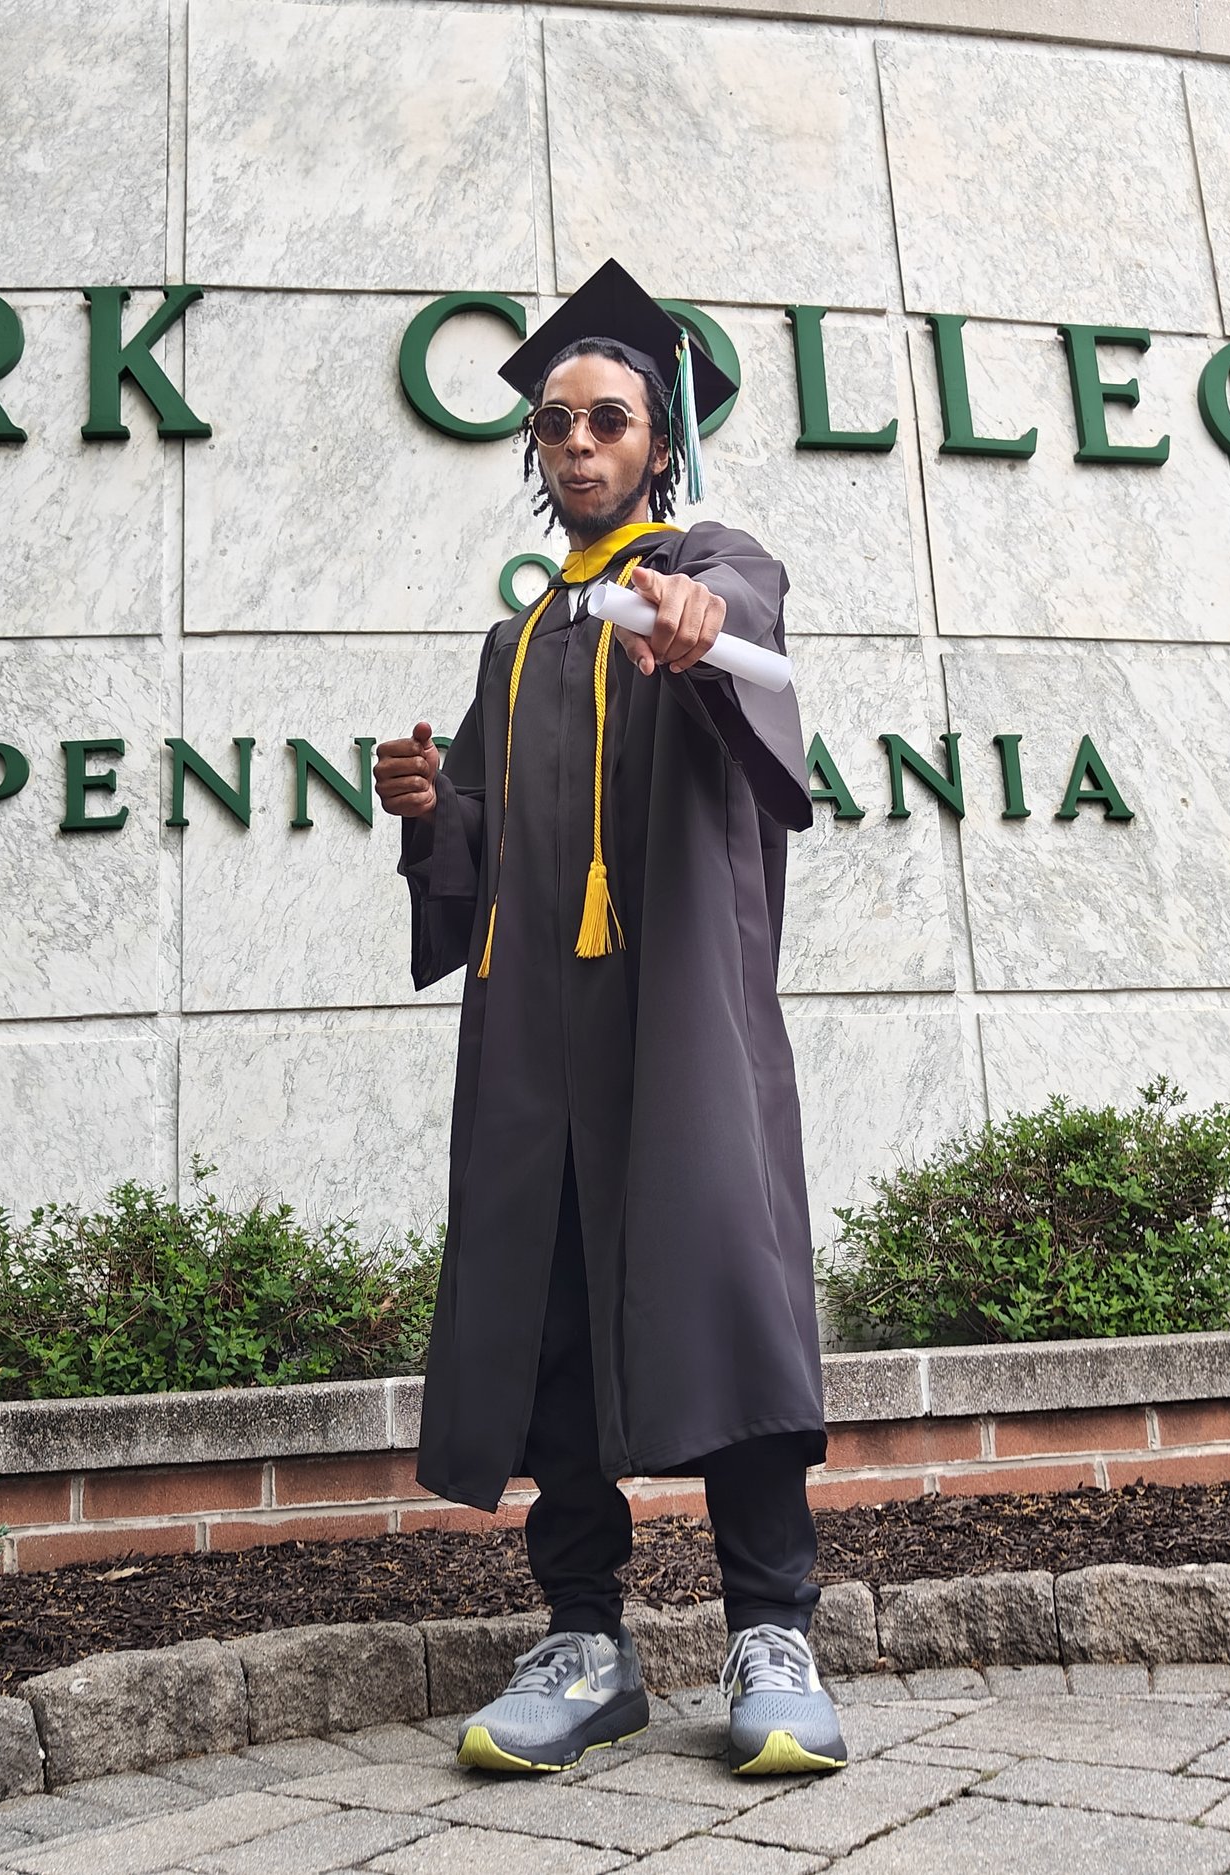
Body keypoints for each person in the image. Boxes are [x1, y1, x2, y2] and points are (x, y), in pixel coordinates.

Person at [372, 259, 844, 1777]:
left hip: (677, 1021)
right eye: (557, 425)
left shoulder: (712, 568)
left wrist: (700, 636)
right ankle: (587, 1638)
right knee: (553, 1313)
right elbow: (487, 861)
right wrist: (435, 814)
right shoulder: (520, 644)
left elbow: (760, 674)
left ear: (660, 442)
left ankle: (775, 1633)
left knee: (721, 1286)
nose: (578, 444)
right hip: (538, 1042)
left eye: (611, 421)